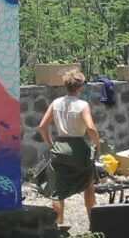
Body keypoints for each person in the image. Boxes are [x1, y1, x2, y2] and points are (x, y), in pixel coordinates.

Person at [36, 69, 100, 226]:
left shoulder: (56, 103)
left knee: (57, 191)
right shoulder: (82, 105)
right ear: (80, 86)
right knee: (88, 185)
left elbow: (42, 126)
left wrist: (51, 145)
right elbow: (91, 128)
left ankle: (59, 226)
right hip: (78, 147)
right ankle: (94, 224)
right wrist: (96, 144)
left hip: (60, 147)